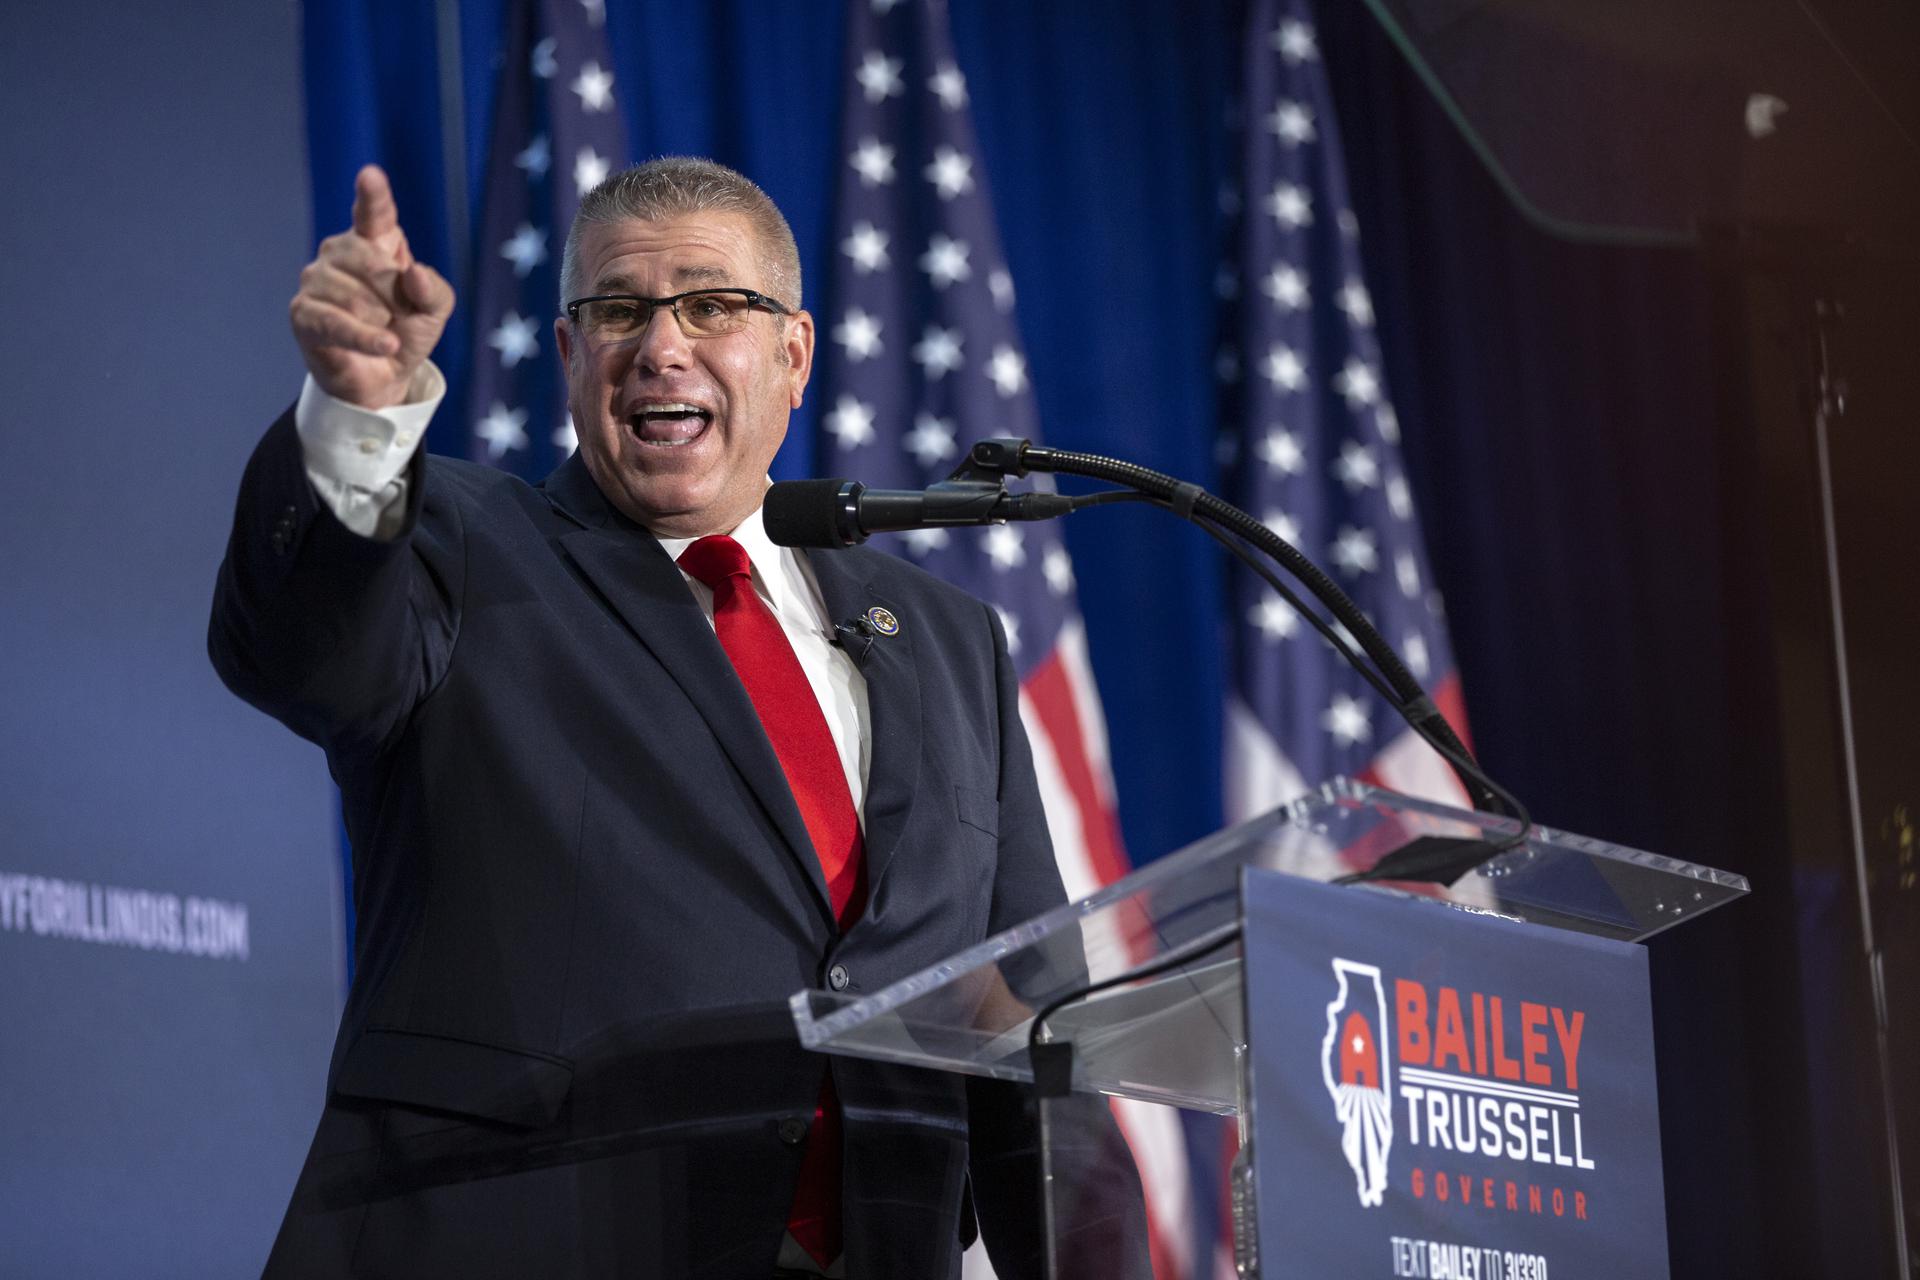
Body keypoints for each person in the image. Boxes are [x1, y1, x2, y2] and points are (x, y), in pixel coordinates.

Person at [210, 157, 1146, 1278]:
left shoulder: (949, 642)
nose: (661, 346)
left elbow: (1033, 1030)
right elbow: (306, 651)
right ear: (569, 355)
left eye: (712, 304)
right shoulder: (455, 543)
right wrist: (353, 423)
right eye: (617, 310)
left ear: (794, 355)